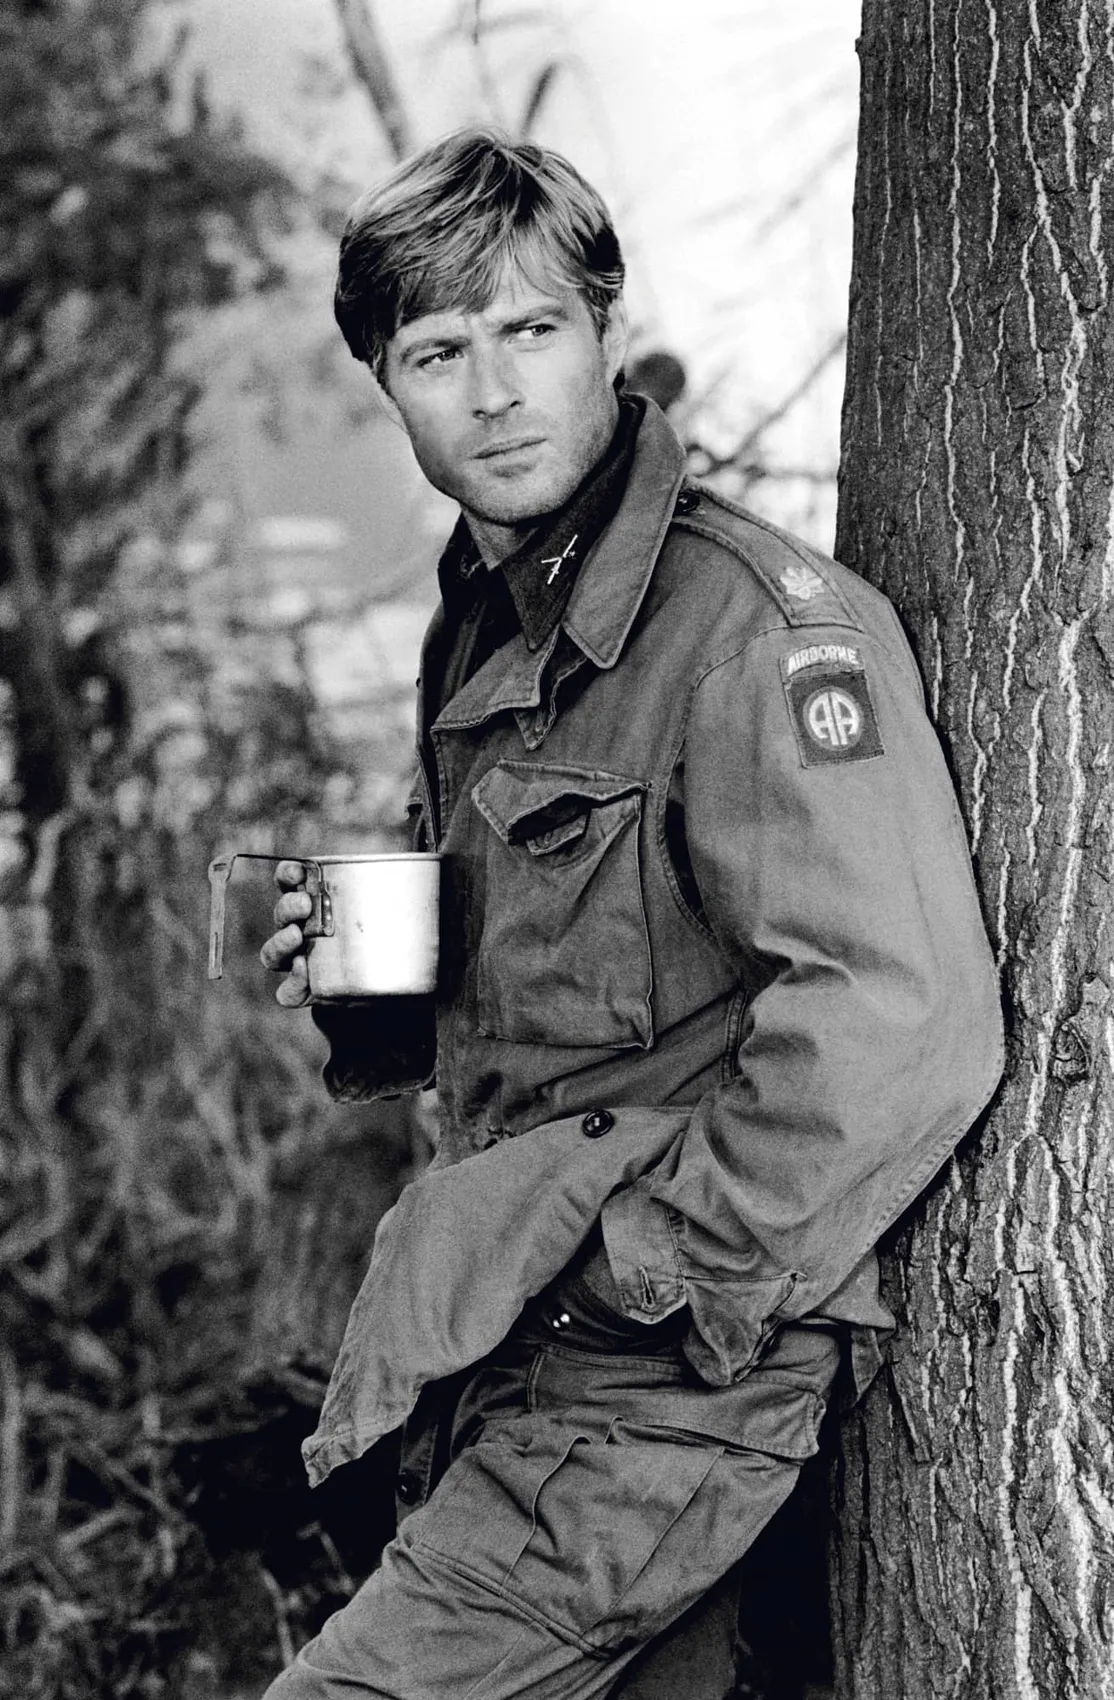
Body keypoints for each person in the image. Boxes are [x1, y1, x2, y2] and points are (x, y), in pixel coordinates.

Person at [257, 129, 1004, 1700]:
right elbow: (584, 949)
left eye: (531, 329)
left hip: (655, 1374)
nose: (493, 391)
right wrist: (373, 989)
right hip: (511, 1319)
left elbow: (901, 1020)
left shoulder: (749, 632)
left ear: (604, 326)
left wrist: (648, 1274)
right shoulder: (489, 614)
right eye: (437, 352)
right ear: (384, 379)